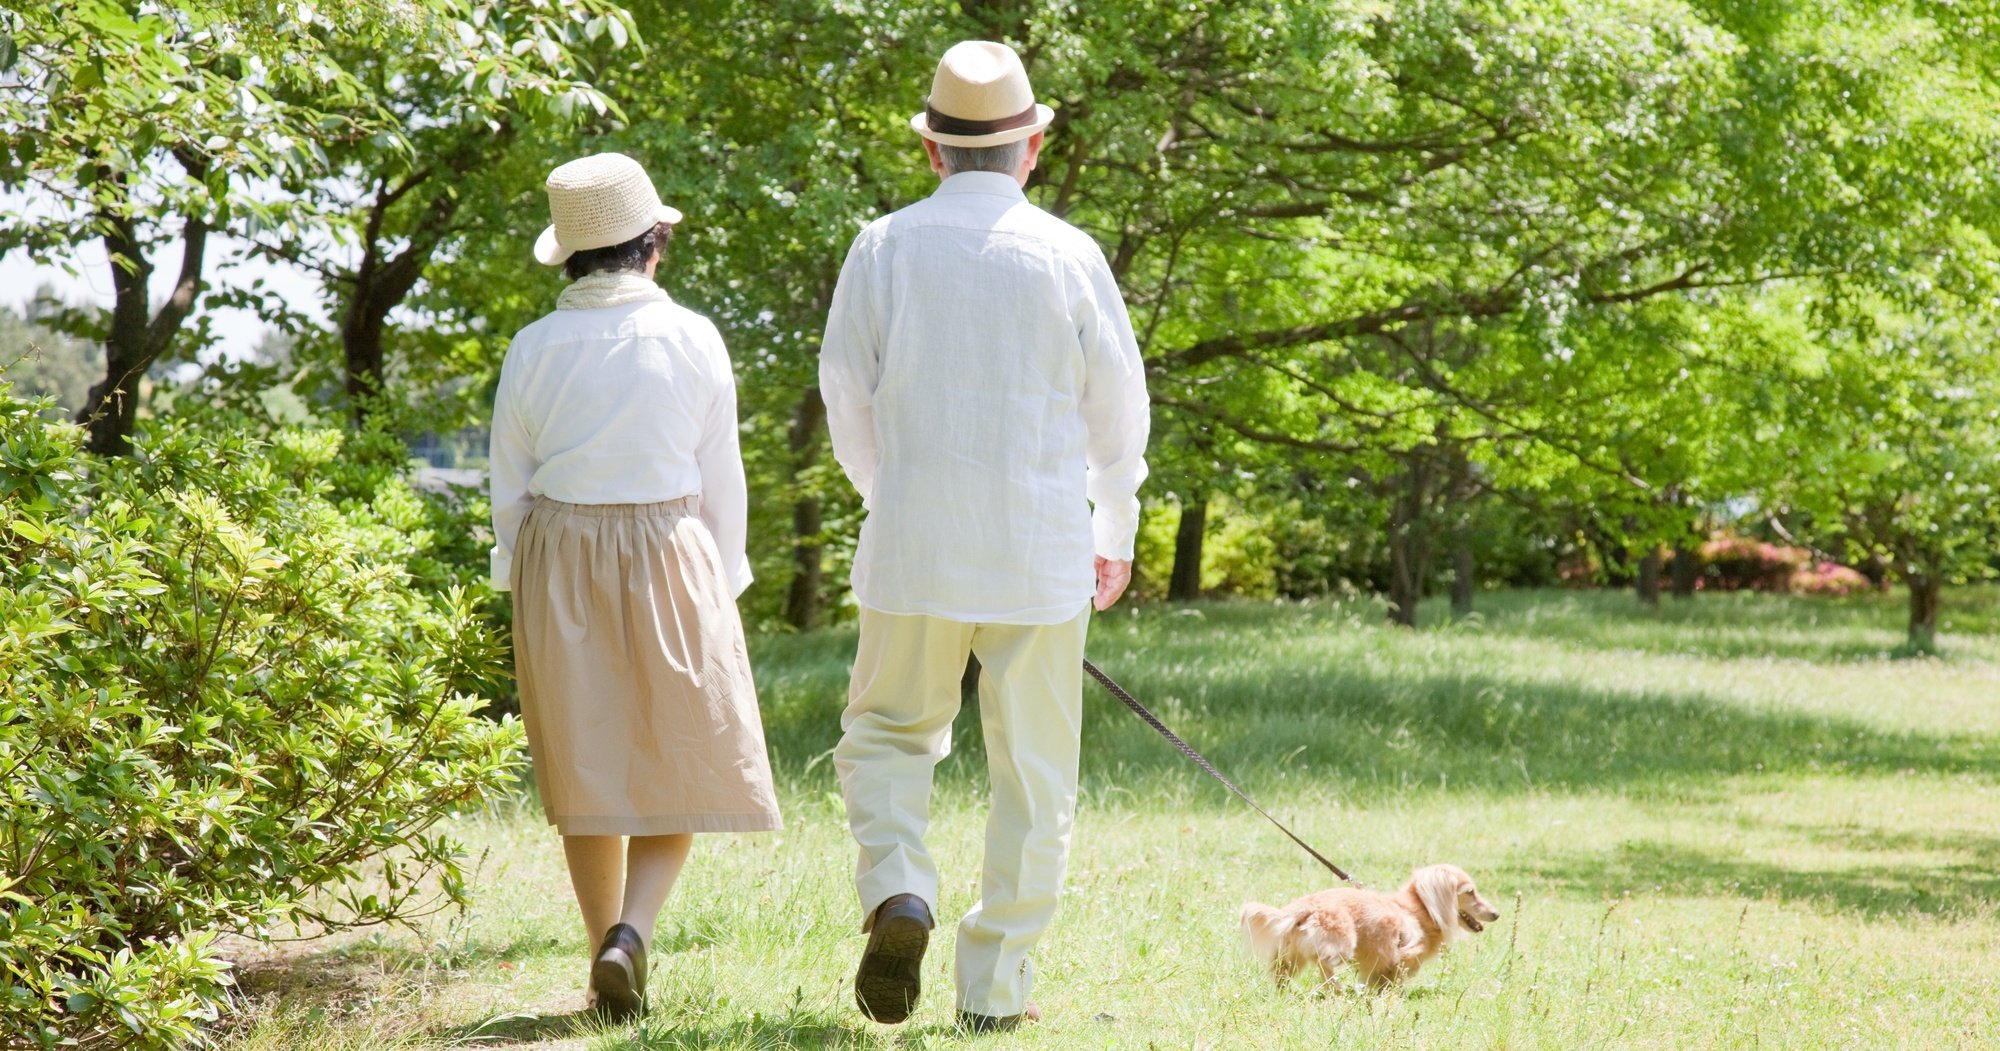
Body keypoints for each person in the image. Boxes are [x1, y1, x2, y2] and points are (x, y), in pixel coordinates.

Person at [819, 39, 1151, 1033]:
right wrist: (1116, 523)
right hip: (1039, 548)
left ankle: (899, 890)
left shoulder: (880, 246)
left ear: (931, 151)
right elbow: (1117, 413)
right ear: (1033, 145)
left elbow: (844, 396)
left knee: (884, 735)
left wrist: (896, 492)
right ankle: (995, 989)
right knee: (1033, 776)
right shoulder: (1067, 254)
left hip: (912, 543)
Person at [488, 153, 782, 1021]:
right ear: (654, 245)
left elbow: (510, 482)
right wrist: (725, 581)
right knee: (678, 754)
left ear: (571, 256)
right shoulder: (693, 336)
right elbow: (719, 474)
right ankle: (633, 932)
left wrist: (521, 580)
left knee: (589, 762)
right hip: (669, 542)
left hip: (559, 550)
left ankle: (597, 955)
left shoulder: (533, 346)